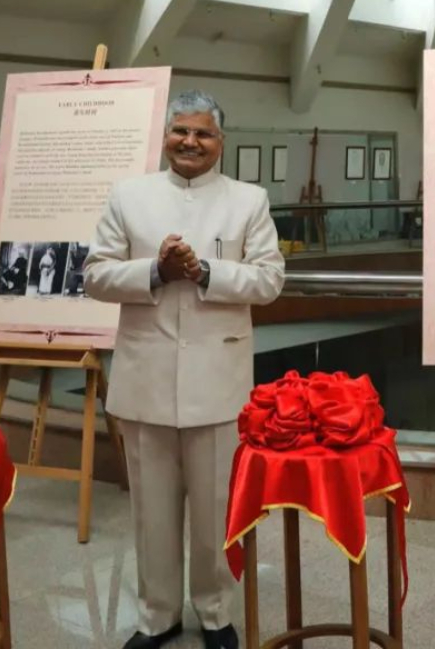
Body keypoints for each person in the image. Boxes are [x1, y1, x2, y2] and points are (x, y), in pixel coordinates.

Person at [84, 90, 286, 649]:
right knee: (151, 511)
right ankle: (157, 616)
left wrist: (204, 273)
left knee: (218, 510)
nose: (190, 142)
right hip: (145, 376)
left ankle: (217, 614)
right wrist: (153, 269)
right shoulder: (130, 196)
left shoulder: (249, 200)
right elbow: (95, 275)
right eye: (180, 131)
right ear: (166, 136)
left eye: (202, 133)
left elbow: (269, 280)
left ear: (221, 143)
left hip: (219, 383)